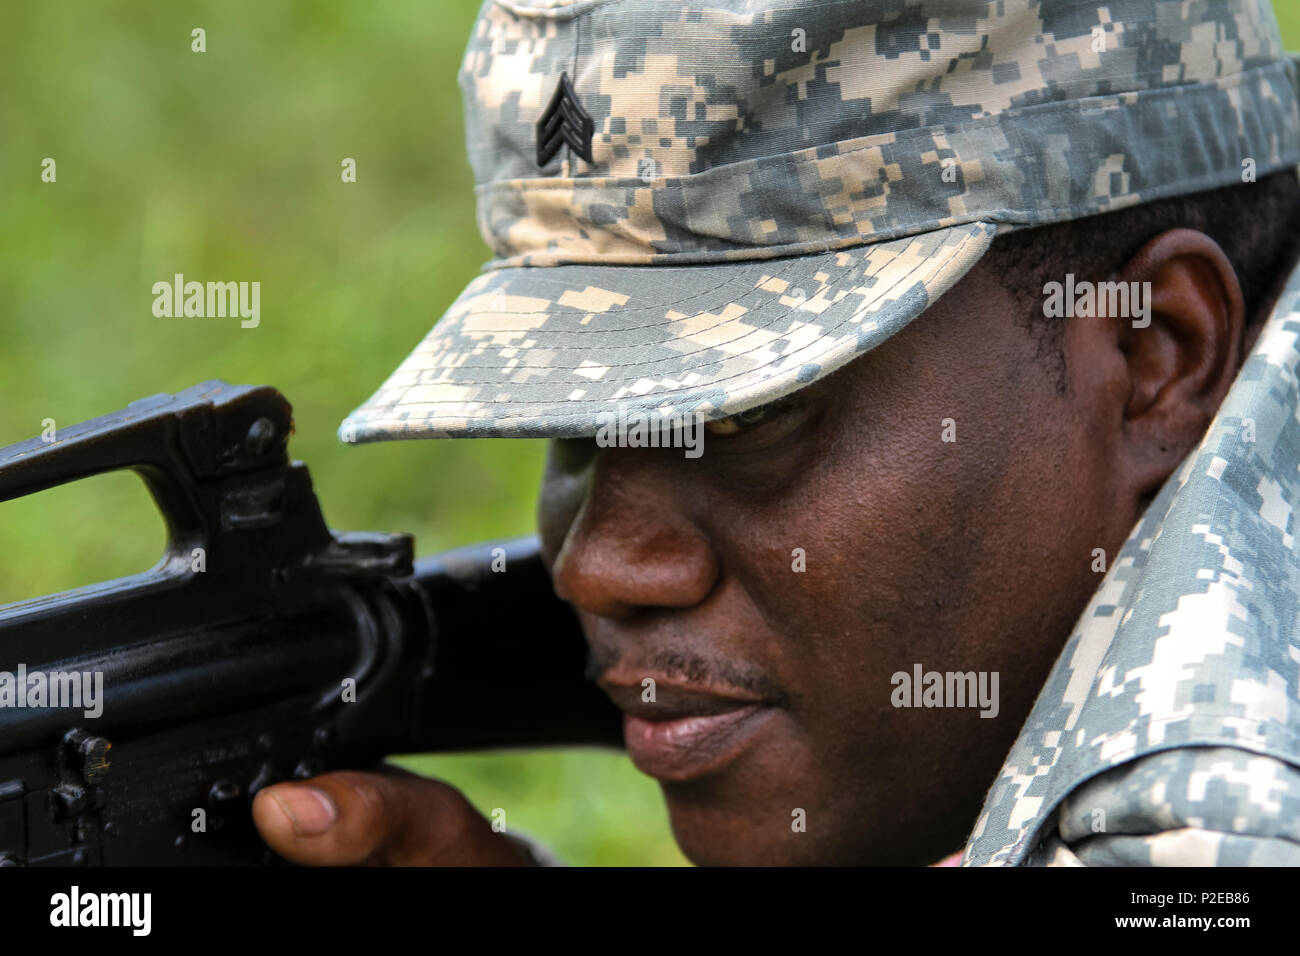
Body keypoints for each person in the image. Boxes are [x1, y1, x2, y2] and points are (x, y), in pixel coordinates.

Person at [251, 0, 1300, 865]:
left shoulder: (1225, 808)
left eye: (748, 418)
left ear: (1156, 353)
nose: (598, 566)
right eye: (576, 429)